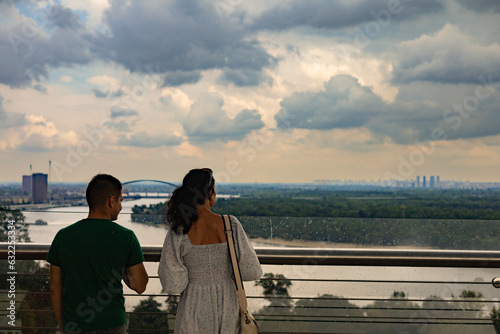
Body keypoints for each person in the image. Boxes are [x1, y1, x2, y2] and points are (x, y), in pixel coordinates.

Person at [158, 168, 262, 334]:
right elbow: (252, 271)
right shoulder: (231, 224)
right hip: (227, 304)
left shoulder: (179, 229)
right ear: (211, 192)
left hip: (192, 304)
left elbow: (172, 284)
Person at [47, 174, 149, 333]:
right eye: (121, 201)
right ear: (111, 201)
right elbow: (140, 285)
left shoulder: (63, 236)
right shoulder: (126, 237)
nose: (121, 207)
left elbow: (55, 288)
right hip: (112, 324)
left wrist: (63, 326)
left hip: (75, 324)